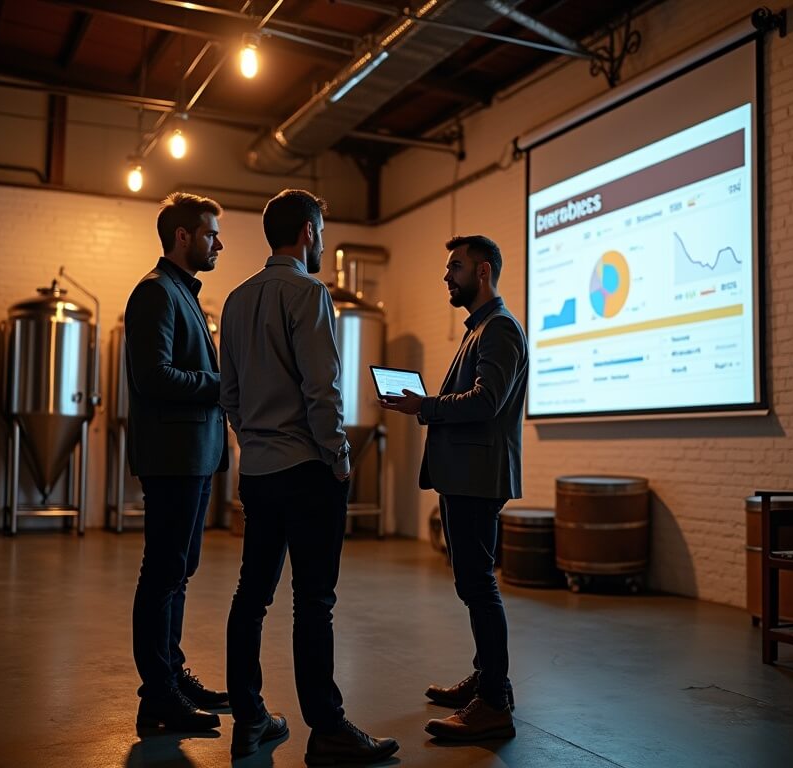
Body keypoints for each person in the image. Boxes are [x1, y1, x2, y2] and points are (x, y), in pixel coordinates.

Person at [220, 189, 399, 764]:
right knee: (313, 601)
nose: (321, 241)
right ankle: (327, 731)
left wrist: (253, 443)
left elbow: (229, 394)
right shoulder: (309, 293)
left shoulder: (237, 299)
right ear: (305, 232)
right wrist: (339, 457)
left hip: (260, 472)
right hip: (307, 470)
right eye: (320, 231)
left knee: (252, 597)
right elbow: (323, 391)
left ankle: (249, 719)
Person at [379, 234, 528, 742]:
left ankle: (493, 702)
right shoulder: (481, 329)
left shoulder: (500, 329)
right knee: (473, 583)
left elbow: (485, 402)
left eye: (456, 267)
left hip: (477, 477)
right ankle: (487, 680)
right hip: (465, 474)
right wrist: (429, 402)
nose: (447, 276)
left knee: (479, 586)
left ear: (483, 271)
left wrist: (427, 406)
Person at [125, 192, 230, 733]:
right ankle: (157, 696)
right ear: (183, 236)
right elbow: (154, 377)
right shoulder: (156, 294)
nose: (220, 243)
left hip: (194, 456)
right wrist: (223, 385)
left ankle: (173, 672)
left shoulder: (183, 293)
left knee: (179, 572)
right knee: (162, 572)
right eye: (211, 233)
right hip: (172, 457)